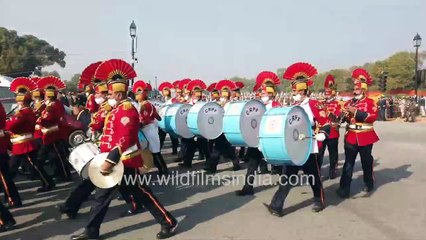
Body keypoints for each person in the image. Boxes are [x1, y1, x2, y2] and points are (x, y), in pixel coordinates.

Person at [71, 59, 177, 240]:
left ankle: (168, 221)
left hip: (124, 160)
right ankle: (91, 232)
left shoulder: (127, 110)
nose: (107, 96)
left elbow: (125, 139)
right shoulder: (115, 109)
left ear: (119, 95)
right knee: (103, 197)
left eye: (110, 94)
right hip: (113, 159)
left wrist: (109, 160)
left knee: (140, 193)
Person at [264, 62, 330, 215]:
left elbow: (326, 123)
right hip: (293, 147)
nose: (295, 94)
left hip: (309, 147)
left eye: (297, 91)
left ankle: (319, 200)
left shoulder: (313, 105)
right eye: (293, 91)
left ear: (305, 90)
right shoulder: (292, 106)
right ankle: (276, 206)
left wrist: (323, 134)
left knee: (314, 177)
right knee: (286, 178)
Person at [336, 68, 379, 198]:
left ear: (364, 89)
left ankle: (369, 182)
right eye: (354, 87)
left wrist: (354, 111)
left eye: (357, 87)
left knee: (366, 161)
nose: (355, 89)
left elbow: (372, 117)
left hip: (365, 136)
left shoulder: (370, 102)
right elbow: (342, 119)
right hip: (351, 136)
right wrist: (342, 116)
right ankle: (344, 189)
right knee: (348, 163)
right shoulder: (349, 102)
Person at [7, 77, 55, 194]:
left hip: (24, 144)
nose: (17, 102)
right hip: (22, 143)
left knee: (33, 166)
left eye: (19, 100)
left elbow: (11, 125)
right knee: (18, 167)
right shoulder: (26, 111)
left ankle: (48, 182)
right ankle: (8, 188)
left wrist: (8, 122)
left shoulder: (23, 113)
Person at [236, 71, 281, 196]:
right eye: (262, 92)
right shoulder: (256, 105)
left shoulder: (277, 105)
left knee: (279, 163)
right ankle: (247, 188)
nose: (263, 94)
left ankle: (287, 182)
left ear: (272, 93)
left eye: (265, 92)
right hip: (256, 139)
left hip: (270, 139)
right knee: (252, 164)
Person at [36, 76, 71, 182]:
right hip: (48, 134)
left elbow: (48, 118)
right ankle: (59, 172)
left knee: (59, 156)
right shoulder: (49, 105)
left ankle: (65, 174)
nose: (45, 96)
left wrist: (39, 115)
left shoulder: (54, 105)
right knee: (54, 156)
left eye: (46, 94)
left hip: (53, 133)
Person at [132, 80, 169, 176]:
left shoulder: (145, 105)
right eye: (136, 92)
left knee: (155, 151)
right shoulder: (147, 104)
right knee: (154, 150)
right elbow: (158, 117)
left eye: (139, 92)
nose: (137, 94)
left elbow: (143, 121)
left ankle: (163, 171)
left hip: (148, 129)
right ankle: (162, 170)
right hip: (151, 129)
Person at [318, 74, 341, 179]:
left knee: (333, 153)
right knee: (320, 152)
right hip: (322, 131)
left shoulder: (338, 104)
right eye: (325, 92)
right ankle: (317, 170)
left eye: (329, 92)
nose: (326, 94)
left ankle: (333, 170)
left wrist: (327, 111)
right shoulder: (320, 103)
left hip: (332, 131)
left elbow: (337, 118)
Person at [157, 81, 179, 155]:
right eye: (164, 90)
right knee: (161, 137)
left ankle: (175, 150)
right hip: (162, 121)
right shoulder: (161, 100)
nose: (165, 92)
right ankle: (158, 150)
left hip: (170, 119)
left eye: (166, 90)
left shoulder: (172, 100)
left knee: (173, 137)